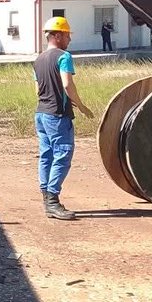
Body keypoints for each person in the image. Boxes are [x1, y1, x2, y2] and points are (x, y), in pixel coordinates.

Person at [34, 17, 94, 221]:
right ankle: (52, 200)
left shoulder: (39, 59)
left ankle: (46, 198)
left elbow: (37, 90)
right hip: (57, 115)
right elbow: (67, 84)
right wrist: (81, 105)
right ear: (57, 35)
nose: (69, 39)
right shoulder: (64, 56)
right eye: (67, 35)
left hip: (41, 114)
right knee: (63, 153)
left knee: (46, 155)